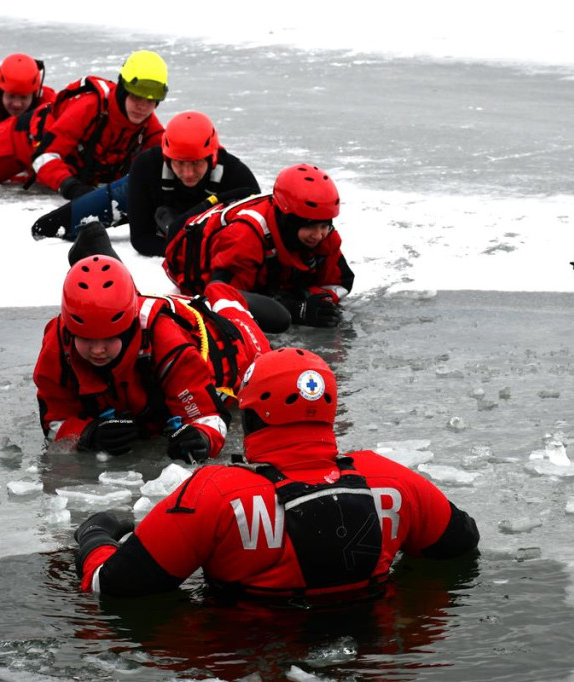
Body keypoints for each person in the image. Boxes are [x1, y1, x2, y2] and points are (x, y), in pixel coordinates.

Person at [72, 347, 480, 599]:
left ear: (250, 418)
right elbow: (460, 542)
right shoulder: (390, 480)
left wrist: (95, 535)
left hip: (248, 652)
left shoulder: (214, 493)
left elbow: (114, 587)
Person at [34, 253, 270, 462]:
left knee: (259, 345)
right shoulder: (57, 344)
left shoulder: (165, 341)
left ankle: (225, 293)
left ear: (128, 330)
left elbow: (209, 416)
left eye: (108, 338)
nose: (97, 350)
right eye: (86, 339)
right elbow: (53, 420)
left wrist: (199, 438)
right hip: (146, 310)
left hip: (230, 340)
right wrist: (87, 434)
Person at [0, 50, 167, 194]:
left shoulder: (147, 121)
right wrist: (70, 187)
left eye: (151, 100)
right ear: (124, 91)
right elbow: (44, 157)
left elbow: (169, 155)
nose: (142, 106)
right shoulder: (89, 107)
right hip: (19, 141)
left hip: (71, 159)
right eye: (136, 97)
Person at [31, 110, 260, 254]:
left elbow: (255, 241)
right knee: (46, 227)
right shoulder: (147, 167)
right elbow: (141, 240)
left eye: (196, 164)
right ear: (166, 157)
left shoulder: (238, 178)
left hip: (186, 221)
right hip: (149, 198)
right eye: (179, 164)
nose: (188, 173)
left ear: (212, 157)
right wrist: (187, 246)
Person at [162, 163, 355, 328]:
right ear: (288, 221)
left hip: (261, 272)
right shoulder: (245, 237)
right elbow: (221, 295)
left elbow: (341, 281)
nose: (318, 235)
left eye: (324, 225)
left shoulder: (325, 235)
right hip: (187, 257)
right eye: (310, 226)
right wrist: (296, 310)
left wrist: (310, 297)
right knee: (172, 226)